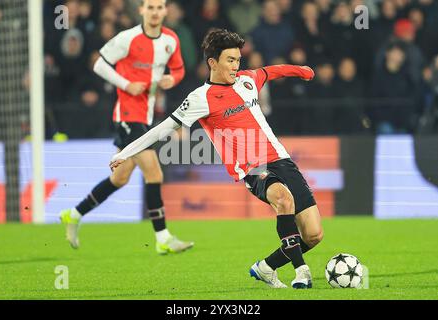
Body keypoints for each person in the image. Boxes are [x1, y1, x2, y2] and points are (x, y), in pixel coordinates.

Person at [110, 29, 324, 289]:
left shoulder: (247, 80)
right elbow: (162, 128)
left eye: (238, 60)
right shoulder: (200, 98)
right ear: (213, 62)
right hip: (251, 167)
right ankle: (302, 271)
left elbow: (271, 71)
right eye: (230, 60)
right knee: (283, 198)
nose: (236, 66)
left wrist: (302, 70)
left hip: (281, 158)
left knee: (313, 235)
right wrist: (125, 152)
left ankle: (266, 267)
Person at [60, 0, 194, 254]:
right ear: (141, 10)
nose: (155, 12)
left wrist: (170, 79)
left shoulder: (170, 40)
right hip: (127, 115)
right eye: (150, 7)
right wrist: (125, 84)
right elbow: (99, 64)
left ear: (165, 11)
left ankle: (74, 214)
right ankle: (163, 238)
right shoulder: (128, 38)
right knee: (154, 174)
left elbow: (178, 70)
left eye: (159, 7)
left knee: (120, 178)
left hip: (146, 116)